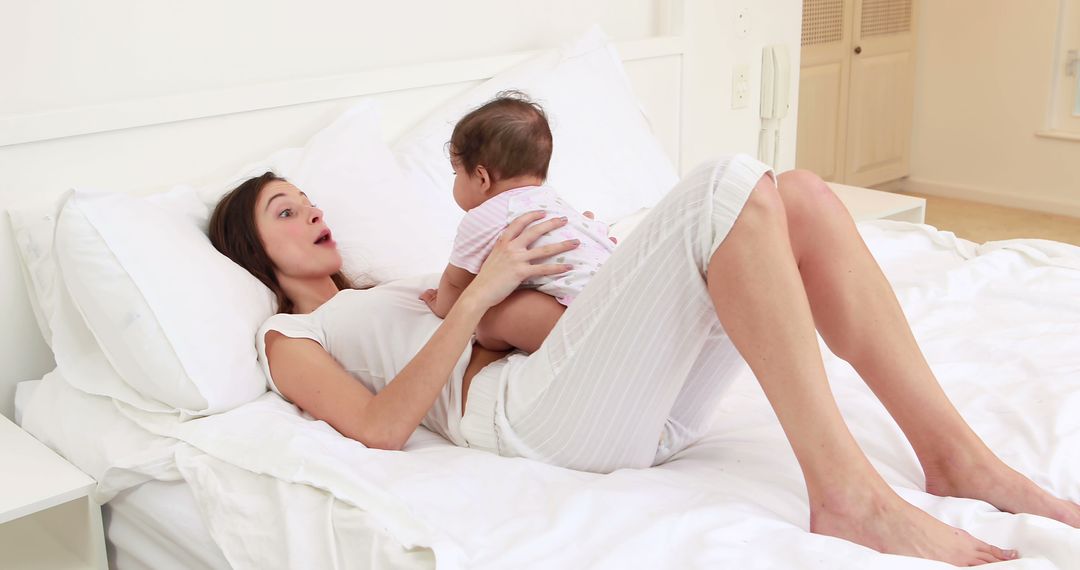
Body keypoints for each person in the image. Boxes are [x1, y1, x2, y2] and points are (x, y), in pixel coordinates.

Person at [209, 156, 1080, 566]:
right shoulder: (294, 339)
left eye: (308, 199)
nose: (311, 211)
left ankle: (954, 456)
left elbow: (523, 321)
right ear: (255, 249)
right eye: (285, 211)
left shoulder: (401, 282)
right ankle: (848, 496)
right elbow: (379, 427)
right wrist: (477, 297)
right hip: (528, 421)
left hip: (615, 404)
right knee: (723, 185)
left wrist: (604, 268)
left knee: (801, 197)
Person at [420, 92, 615, 353]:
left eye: (456, 173)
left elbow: (457, 284)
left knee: (488, 319)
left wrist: (441, 306)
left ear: (482, 177)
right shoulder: (552, 201)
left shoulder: (484, 216)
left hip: (579, 319)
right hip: (617, 296)